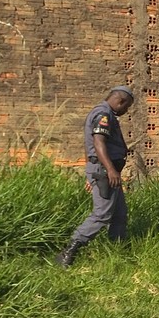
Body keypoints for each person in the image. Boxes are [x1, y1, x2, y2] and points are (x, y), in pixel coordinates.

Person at [55, 86, 135, 267]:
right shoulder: (103, 115)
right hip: (105, 172)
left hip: (104, 171)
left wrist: (90, 172)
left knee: (120, 214)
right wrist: (110, 170)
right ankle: (69, 251)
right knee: (102, 214)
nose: (126, 110)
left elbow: (88, 146)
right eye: (127, 106)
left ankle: (118, 254)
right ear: (120, 101)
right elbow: (98, 143)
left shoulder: (105, 113)